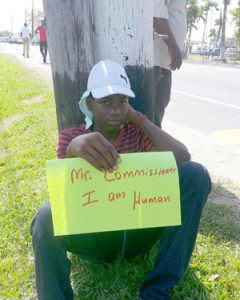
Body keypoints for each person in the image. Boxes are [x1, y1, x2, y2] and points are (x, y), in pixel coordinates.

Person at [31, 60, 211, 300]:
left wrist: (138, 118)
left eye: (122, 103)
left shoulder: (137, 135)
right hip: (94, 241)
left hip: (139, 234)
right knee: (45, 216)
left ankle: (157, 289)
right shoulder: (72, 136)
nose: (115, 110)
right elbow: (64, 195)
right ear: (90, 104)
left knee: (196, 173)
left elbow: (181, 157)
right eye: (106, 103)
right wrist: (74, 149)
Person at [153, 0, 187, 127]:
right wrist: (172, 46)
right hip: (154, 61)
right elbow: (156, 14)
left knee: (156, 116)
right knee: (150, 118)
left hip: (163, 62)